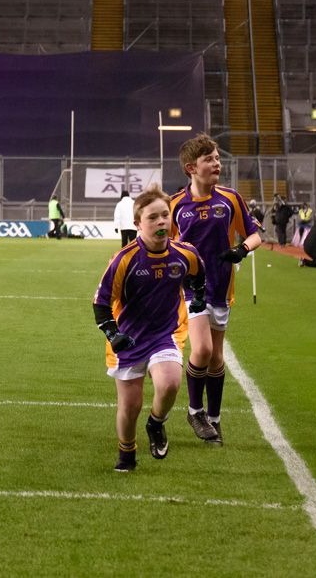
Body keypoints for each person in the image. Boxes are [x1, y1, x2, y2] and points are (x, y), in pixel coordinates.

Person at [92, 185, 204, 472]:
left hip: (165, 334)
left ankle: (156, 423)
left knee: (169, 383)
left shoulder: (184, 253)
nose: (161, 222)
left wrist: (199, 293)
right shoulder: (124, 260)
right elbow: (101, 301)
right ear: (137, 225)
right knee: (130, 406)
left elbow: (198, 272)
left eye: (165, 215)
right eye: (152, 218)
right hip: (128, 339)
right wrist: (113, 334)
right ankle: (126, 453)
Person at [168, 133, 262, 446]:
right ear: (191, 167)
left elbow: (255, 234)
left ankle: (214, 422)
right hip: (192, 288)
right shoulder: (176, 206)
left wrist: (242, 249)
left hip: (223, 287)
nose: (216, 163)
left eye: (217, 158)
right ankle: (195, 411)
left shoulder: (230, 198)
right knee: (203, 350)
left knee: (217, 358)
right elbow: (162, 244)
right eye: (209, 159)